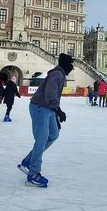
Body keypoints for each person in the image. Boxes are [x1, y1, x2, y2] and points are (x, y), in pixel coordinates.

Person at [17, 53, 73, 187]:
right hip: (40, 108)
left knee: (54, 134)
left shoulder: (60, 74)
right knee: (41, 140)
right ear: (65, 64)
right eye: (71, 65)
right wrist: (58, 110)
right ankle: (33, 174)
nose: (72, 68)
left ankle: (28, 161)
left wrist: (56, 114)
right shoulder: (57, 74)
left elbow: (52, 97)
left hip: (48, 109)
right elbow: (50, 93)